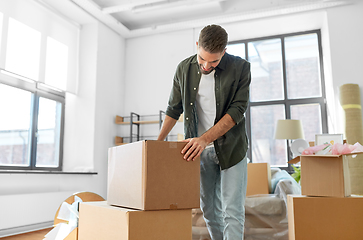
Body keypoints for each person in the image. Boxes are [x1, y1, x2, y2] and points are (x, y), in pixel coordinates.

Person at [157, 24, 251, 240]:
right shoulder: (184, 68)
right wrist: (158, 143)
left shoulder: (241, 68)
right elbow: (174, 108)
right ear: (197, 45)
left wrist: (204, 139)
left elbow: (237, 111)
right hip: (198, 152)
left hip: (232, 149)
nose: (207, 66)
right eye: (202, 59)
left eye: (214, 61)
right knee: (209, 210)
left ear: (224, 52)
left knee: (232, 211)